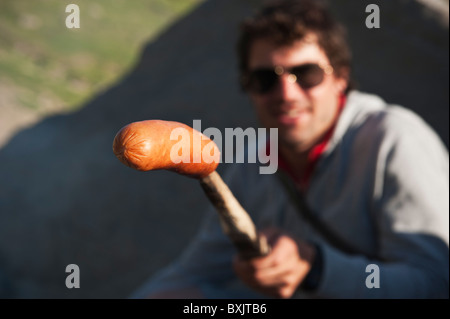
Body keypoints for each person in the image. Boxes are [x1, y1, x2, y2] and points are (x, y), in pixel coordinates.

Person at [131, 0, 449, 299]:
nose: (287, 93)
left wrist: (317, 267)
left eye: (306, 74)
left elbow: (436, 281)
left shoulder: (392, 140)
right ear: (248, 87)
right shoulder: (252, 163)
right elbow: (193, 275)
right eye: (264, 79)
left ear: (341, 77)